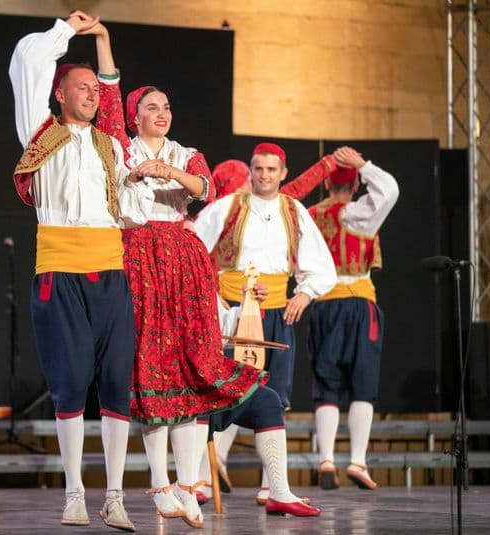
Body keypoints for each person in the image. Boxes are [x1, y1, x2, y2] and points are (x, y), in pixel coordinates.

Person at [90, 23, 278, 529]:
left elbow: (202, 183)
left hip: (184, 259)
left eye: (166, 106)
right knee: (152, 366)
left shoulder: (183, 153)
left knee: (194, 364)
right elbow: (108, 90)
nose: (162, 113)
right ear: (135, 116)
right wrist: (104, 38)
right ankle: (159, 484)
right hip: (139, 256)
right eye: (152, 106)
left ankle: (190, 481)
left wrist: (169, 173)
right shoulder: (119, 147)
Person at [8, 11, 158, 531]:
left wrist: (146, 179)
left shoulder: (110, 145)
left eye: (96, 87)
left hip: (109, 273)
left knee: (117, 382)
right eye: (83, 87)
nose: (93, 94)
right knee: (70, 383)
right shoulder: (39, 132)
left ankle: (114, 496)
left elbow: (130, 202)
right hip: (59, 270)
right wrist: (66, 31)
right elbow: (26, 59)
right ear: (60, 95)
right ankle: (74, 492)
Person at [194, 142, 337, 505]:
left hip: (276, 312)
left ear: (283, 173)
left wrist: (305, 293)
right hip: (234, 315)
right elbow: (192, 250)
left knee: (277, 397)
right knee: (226, 391)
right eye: (258, 169)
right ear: (250, 172)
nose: (264, 176)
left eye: (271, 170)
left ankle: (270, 484)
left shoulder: (294, 211)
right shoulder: (227, 207)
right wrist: (215, 297)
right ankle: (198, 478)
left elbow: (319, 262)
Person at [307, 146, 399, 491]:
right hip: (360, 303)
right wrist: (364, 165)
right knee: (363, 381)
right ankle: (358, 460)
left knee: (326, 381)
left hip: (324, 304)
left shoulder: (310, 215)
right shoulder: (361, 213)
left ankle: (326, 459)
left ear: (326, 184)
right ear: (356, 186)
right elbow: (389, 189)